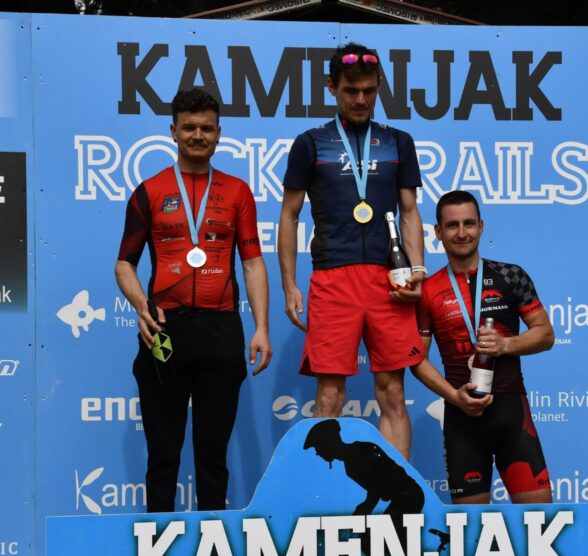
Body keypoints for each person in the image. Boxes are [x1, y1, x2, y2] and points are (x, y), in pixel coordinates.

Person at [115, 88, 271, 513]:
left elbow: (253, 264)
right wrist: (142, 307)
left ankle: (212, 550)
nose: (197, 135)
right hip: (164, 330)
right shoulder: (149, 191)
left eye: (206, 128)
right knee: (162, 454)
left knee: (213, 455)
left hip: (220, 329)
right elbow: (124, 264)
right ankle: (157, 549)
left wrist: (261, 327)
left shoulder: (238, 192)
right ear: (173, 131)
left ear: (219, 133)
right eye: (189, 128)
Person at [279, 43, 425, 460]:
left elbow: (410, 211)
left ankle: (398, 494)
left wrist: (417, 270)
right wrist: (289, 284)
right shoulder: (311, 143)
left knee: (392, 392)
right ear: (332, 87)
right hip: (332, 278)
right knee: (329, 396)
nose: (360, 99)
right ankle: (322, 491)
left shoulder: (398, 142)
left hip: (388, 278)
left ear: (378, 86)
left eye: (368, 90)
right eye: (350, 91)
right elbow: (289, 215)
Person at [412, 190, 554, 504]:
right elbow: (416, 359)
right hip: (461, 420)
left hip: (512, 415)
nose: (462, 233)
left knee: (539, 522)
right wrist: (454, 397)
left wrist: (506, 344)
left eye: (469, 223)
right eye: (452, 225)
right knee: (470, 529)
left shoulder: (511, 275)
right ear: (438, 232)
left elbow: (545, 334)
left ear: (481, 226)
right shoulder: (428, 291)